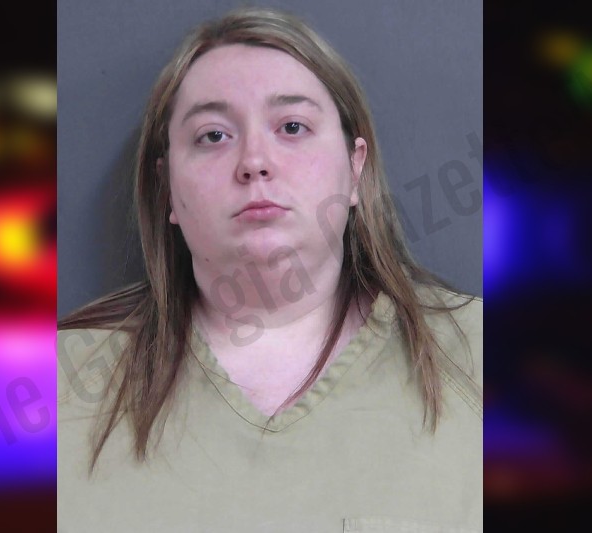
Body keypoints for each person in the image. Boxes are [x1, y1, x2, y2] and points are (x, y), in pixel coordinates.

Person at [58, 7, 481, 532]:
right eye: (213, 135)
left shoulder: (488, 359)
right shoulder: (48, 392)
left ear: (355, 169)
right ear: (167, 188)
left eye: (292, 127)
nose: (254, 161)